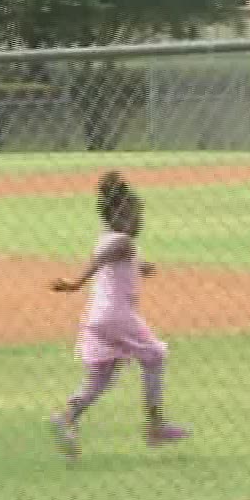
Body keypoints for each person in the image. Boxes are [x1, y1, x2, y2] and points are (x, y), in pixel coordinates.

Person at [46, 172, 189, 460]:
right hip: (117, 316)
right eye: (136, 215)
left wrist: (140, 266)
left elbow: (115, 260)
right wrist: (76, 283)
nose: (140, 222)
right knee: (155, 356)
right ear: (121, 214)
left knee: (102, 377)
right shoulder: (122, 241)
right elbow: (106, 258)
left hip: (97, 319)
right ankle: (155, 425)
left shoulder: (109, 239)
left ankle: (68, 417)